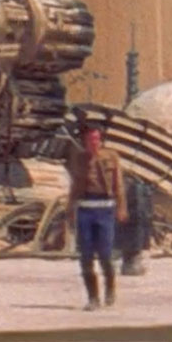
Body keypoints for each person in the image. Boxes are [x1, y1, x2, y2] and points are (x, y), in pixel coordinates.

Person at [65, 123, 128, 310]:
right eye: (90, 139)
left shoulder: (111, 157)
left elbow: (119, 184)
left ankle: (110, 287)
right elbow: (75, 186)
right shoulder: (80, 159)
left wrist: (121, 208)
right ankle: (93, 297)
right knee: (85, 256)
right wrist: (70, 210)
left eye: (96, 139)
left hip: (105, 209)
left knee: (105, 255)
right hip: (85, 209)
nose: (94, 143)